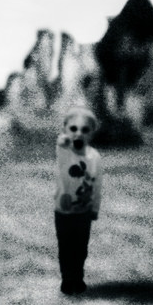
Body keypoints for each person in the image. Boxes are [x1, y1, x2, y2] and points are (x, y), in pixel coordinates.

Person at [53, 106, 103, 294]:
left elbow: (97, 185)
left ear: (91, 133)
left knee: (81, 248)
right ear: (65, 129)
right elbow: (61, 145)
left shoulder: (94, 157)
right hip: (63, 210)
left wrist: (95, 208)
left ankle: (78, 276)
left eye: (84, 129)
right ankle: (67, 279)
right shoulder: (65, 151)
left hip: (84, 210)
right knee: (65, 246)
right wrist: (64, 140)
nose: (78, 133)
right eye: (73, 128)